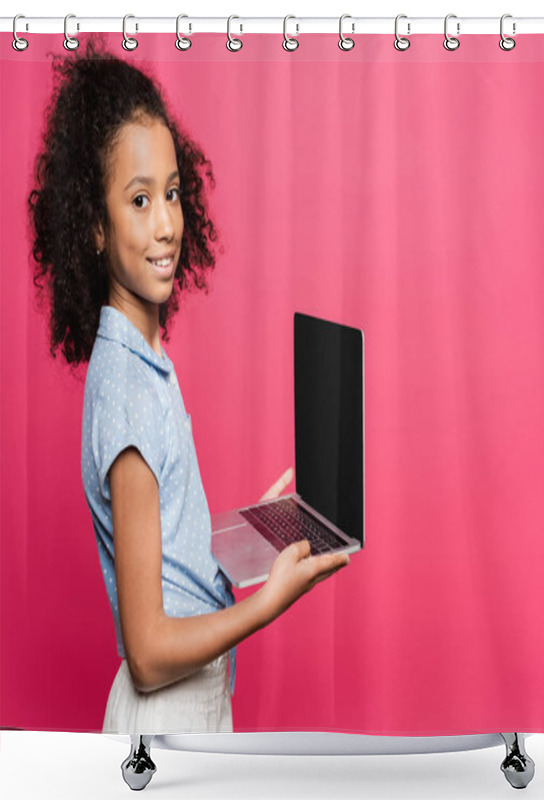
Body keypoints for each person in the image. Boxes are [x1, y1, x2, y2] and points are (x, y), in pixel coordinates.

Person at [27, 38, 349, 734]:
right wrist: (270, 601)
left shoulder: (139, 358)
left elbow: (168, 560)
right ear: (93, 226)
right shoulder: (130, 396)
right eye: (139, 201)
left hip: (186, 707)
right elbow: (147, 654)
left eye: (171, 193)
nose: (167, 224)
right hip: (169, 714)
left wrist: (251, 541)